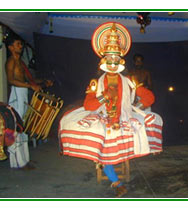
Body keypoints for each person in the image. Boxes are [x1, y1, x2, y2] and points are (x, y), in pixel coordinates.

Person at [59, 23, 163, 197]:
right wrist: (104, 97)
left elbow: (149, 98)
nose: (113, 63)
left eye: (116, 59)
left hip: (123, 118)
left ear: (121, 61)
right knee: (101, 138)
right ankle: (116, 181)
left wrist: (136, 106)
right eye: (109, 59)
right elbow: (89, 106)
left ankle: (118, 161)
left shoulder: (130, 81)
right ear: (103, 61)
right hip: (103, 117)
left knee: (152, 121)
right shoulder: (96, 83)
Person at [4, 35, 52, 169]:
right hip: (16, 96)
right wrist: (30, 86)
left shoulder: (21, 62)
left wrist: (43, 82)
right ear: (11, 47)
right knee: (17, 128)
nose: (21, 46)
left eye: (20, 44)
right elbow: (11, 80)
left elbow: (29, 80)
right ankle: (18, 162)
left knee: (23, 127)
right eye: (18, 44)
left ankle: (24, 160)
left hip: (23, 95)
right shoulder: (11, 61)